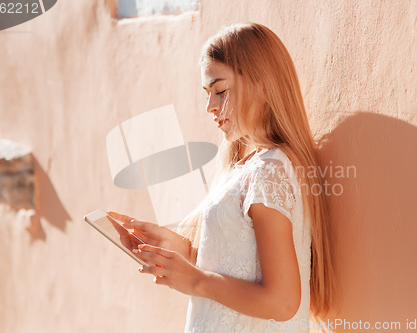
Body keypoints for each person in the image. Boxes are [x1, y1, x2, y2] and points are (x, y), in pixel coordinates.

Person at [109, 22, 335, 332]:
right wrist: (179, 249)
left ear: (263, 84)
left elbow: (282, 302)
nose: (209, 106)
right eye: (207, 93)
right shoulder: (244, 166)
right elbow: (236, 262)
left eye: (220, 90)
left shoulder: (269, 170)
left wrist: (196, 280)